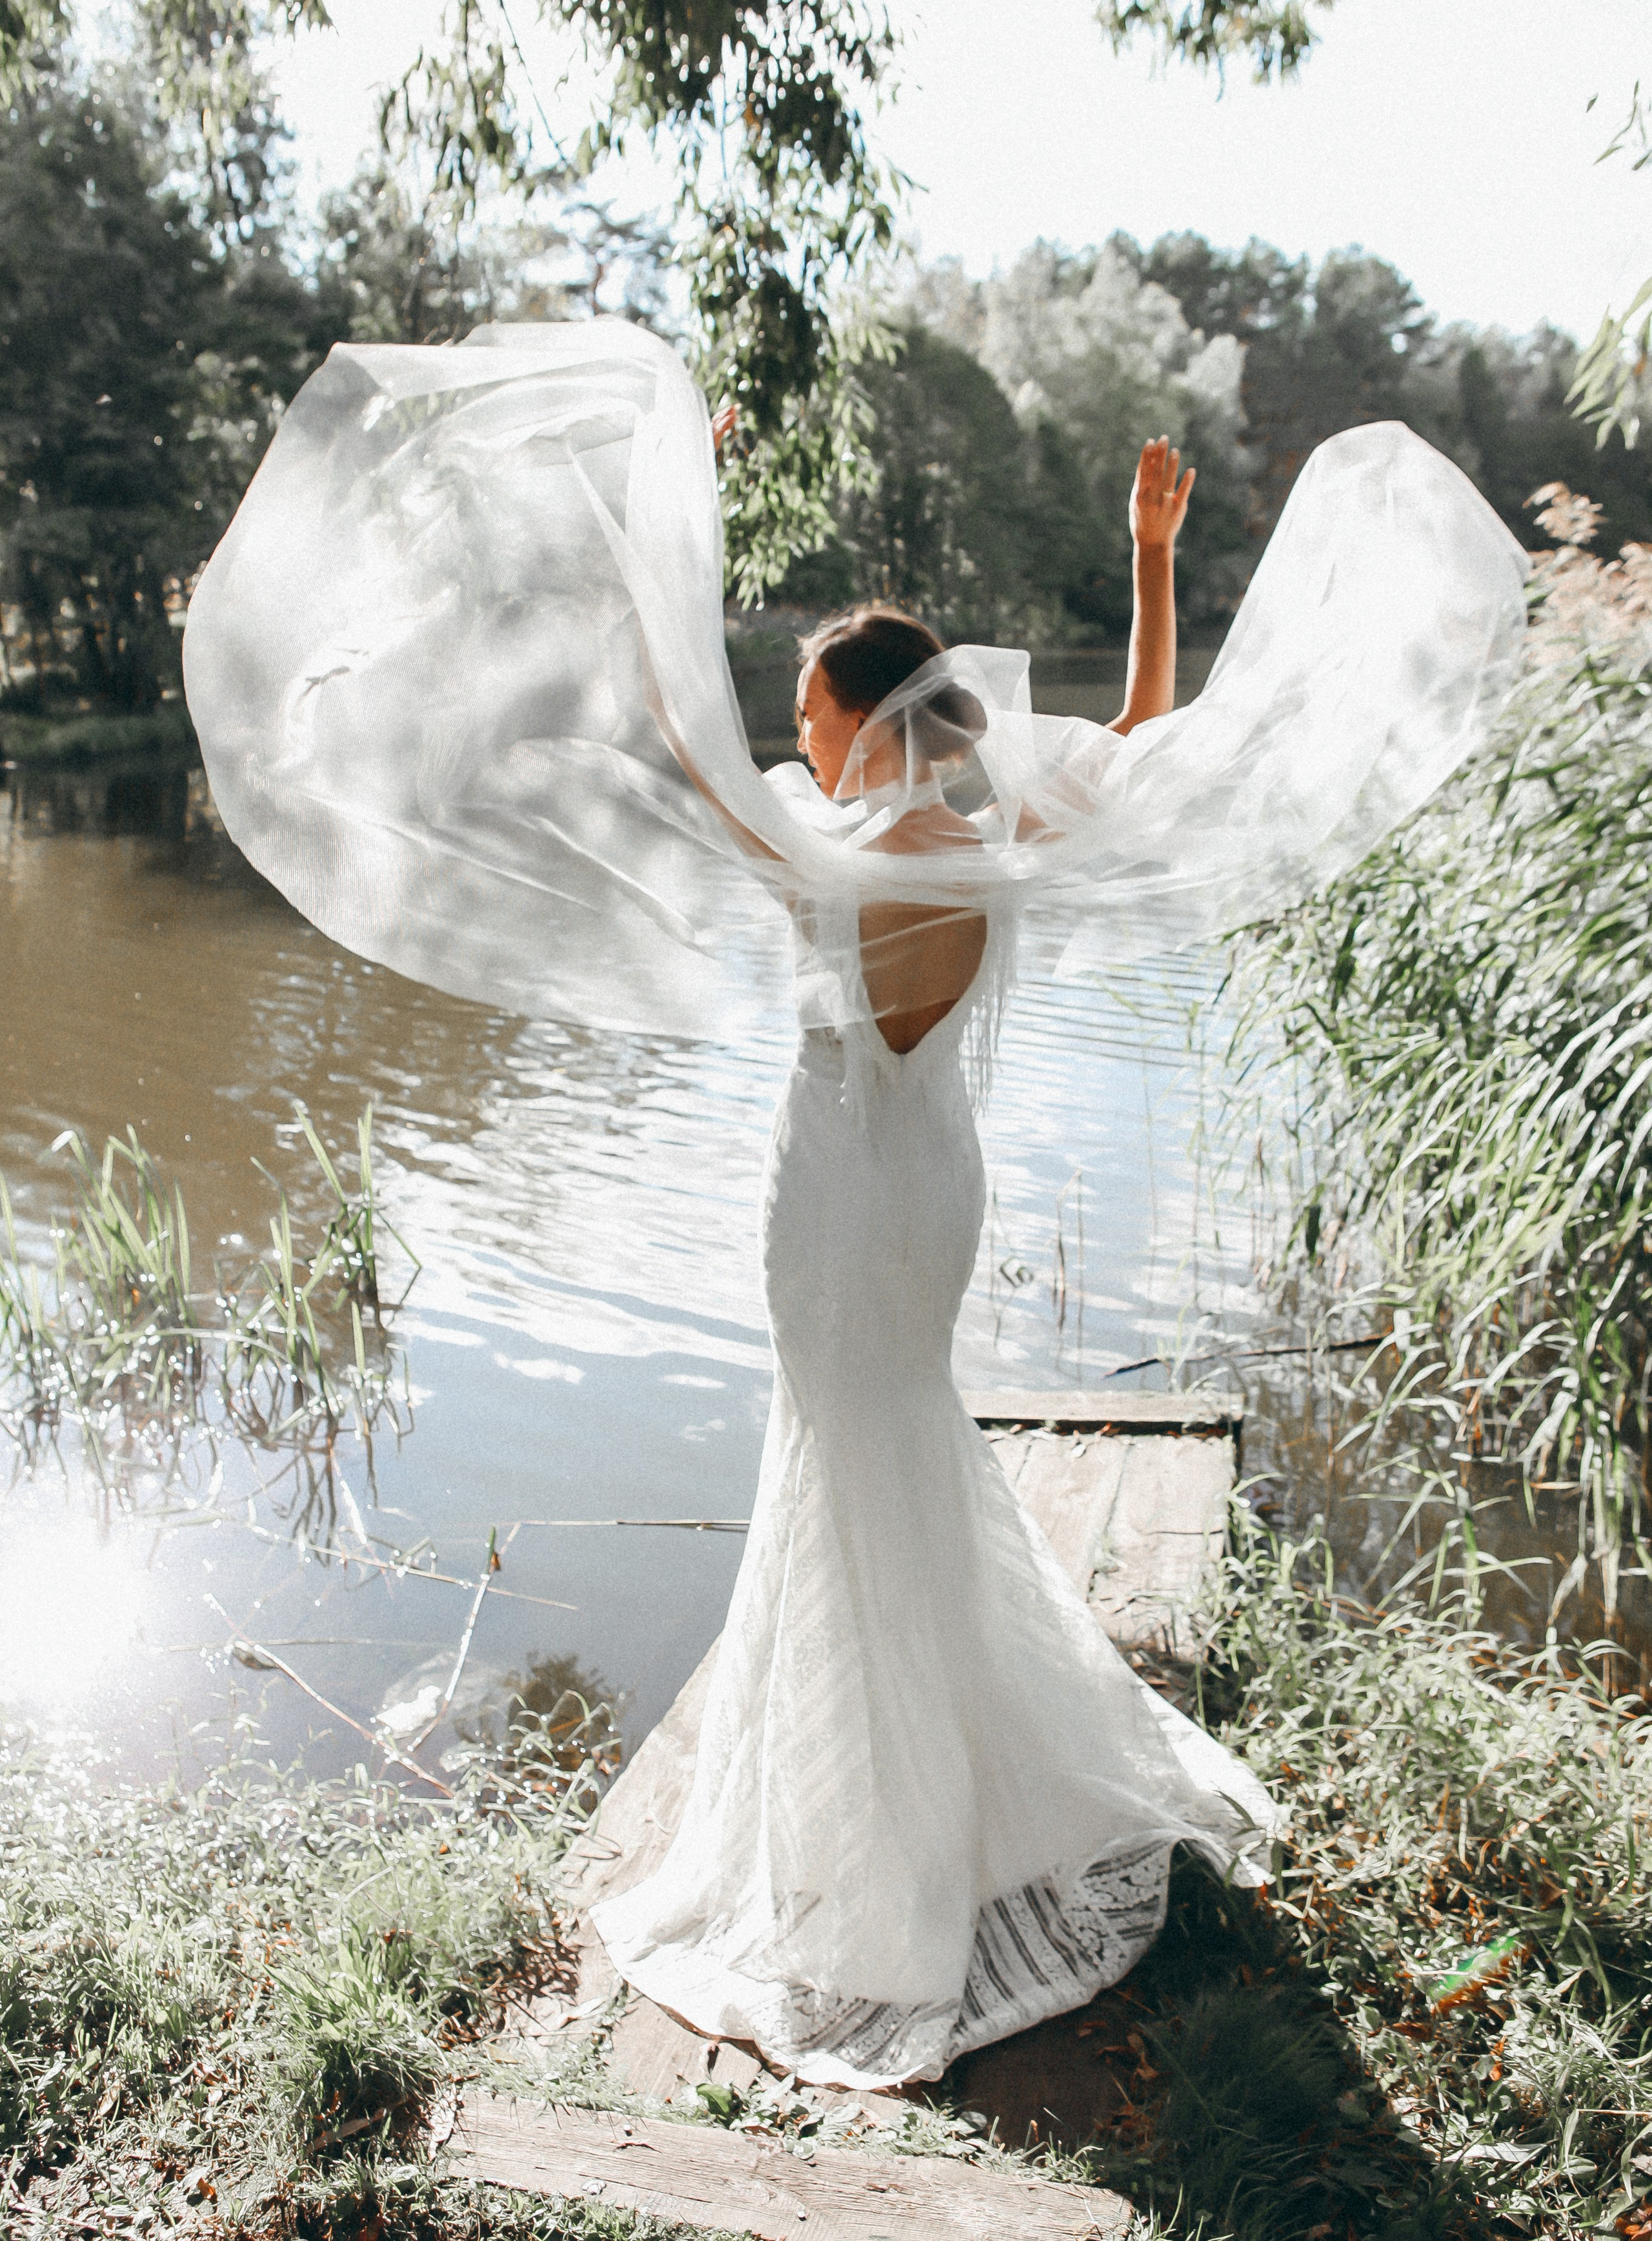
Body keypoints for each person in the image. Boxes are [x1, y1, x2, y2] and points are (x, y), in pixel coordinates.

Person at [183, 317, 1529, 2086]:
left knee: (846, 1456)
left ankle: (875, 1868)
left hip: (832, 1190)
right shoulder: (986, 830)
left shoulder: (832, 843)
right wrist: (1147, 556)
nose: (790, 735)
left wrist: (672, 515)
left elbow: (670, 737)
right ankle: (940, 1786)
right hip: (933, 1185)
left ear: (854, 718)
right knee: (890, 1445)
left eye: (809, 710)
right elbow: (1138, 729)